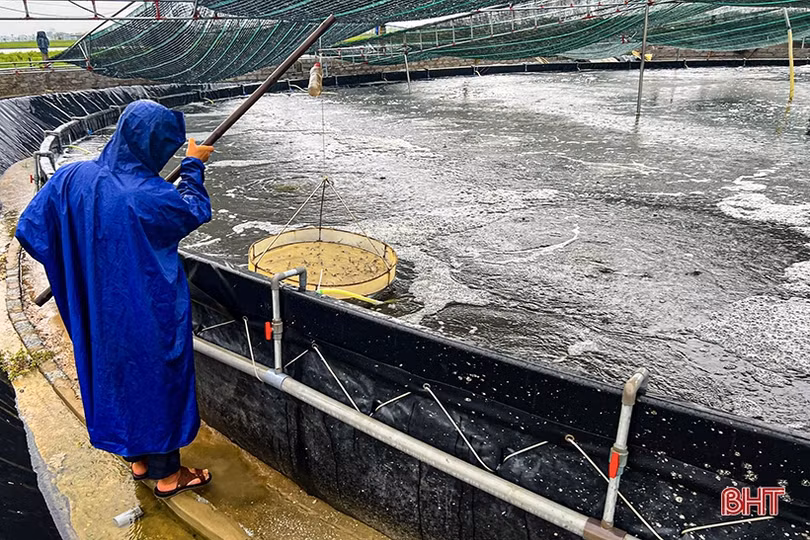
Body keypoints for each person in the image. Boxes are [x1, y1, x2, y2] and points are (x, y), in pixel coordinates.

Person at [16, 100, 215, 499]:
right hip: (146, 308)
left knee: (116, 376)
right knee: (156, 381)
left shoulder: (72, 176)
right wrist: (193, 163)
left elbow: (30, 230)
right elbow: (194, 209)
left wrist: (78, 267)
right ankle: (168, 477)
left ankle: (138, 461)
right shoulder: (152, 195)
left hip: (95, 309)